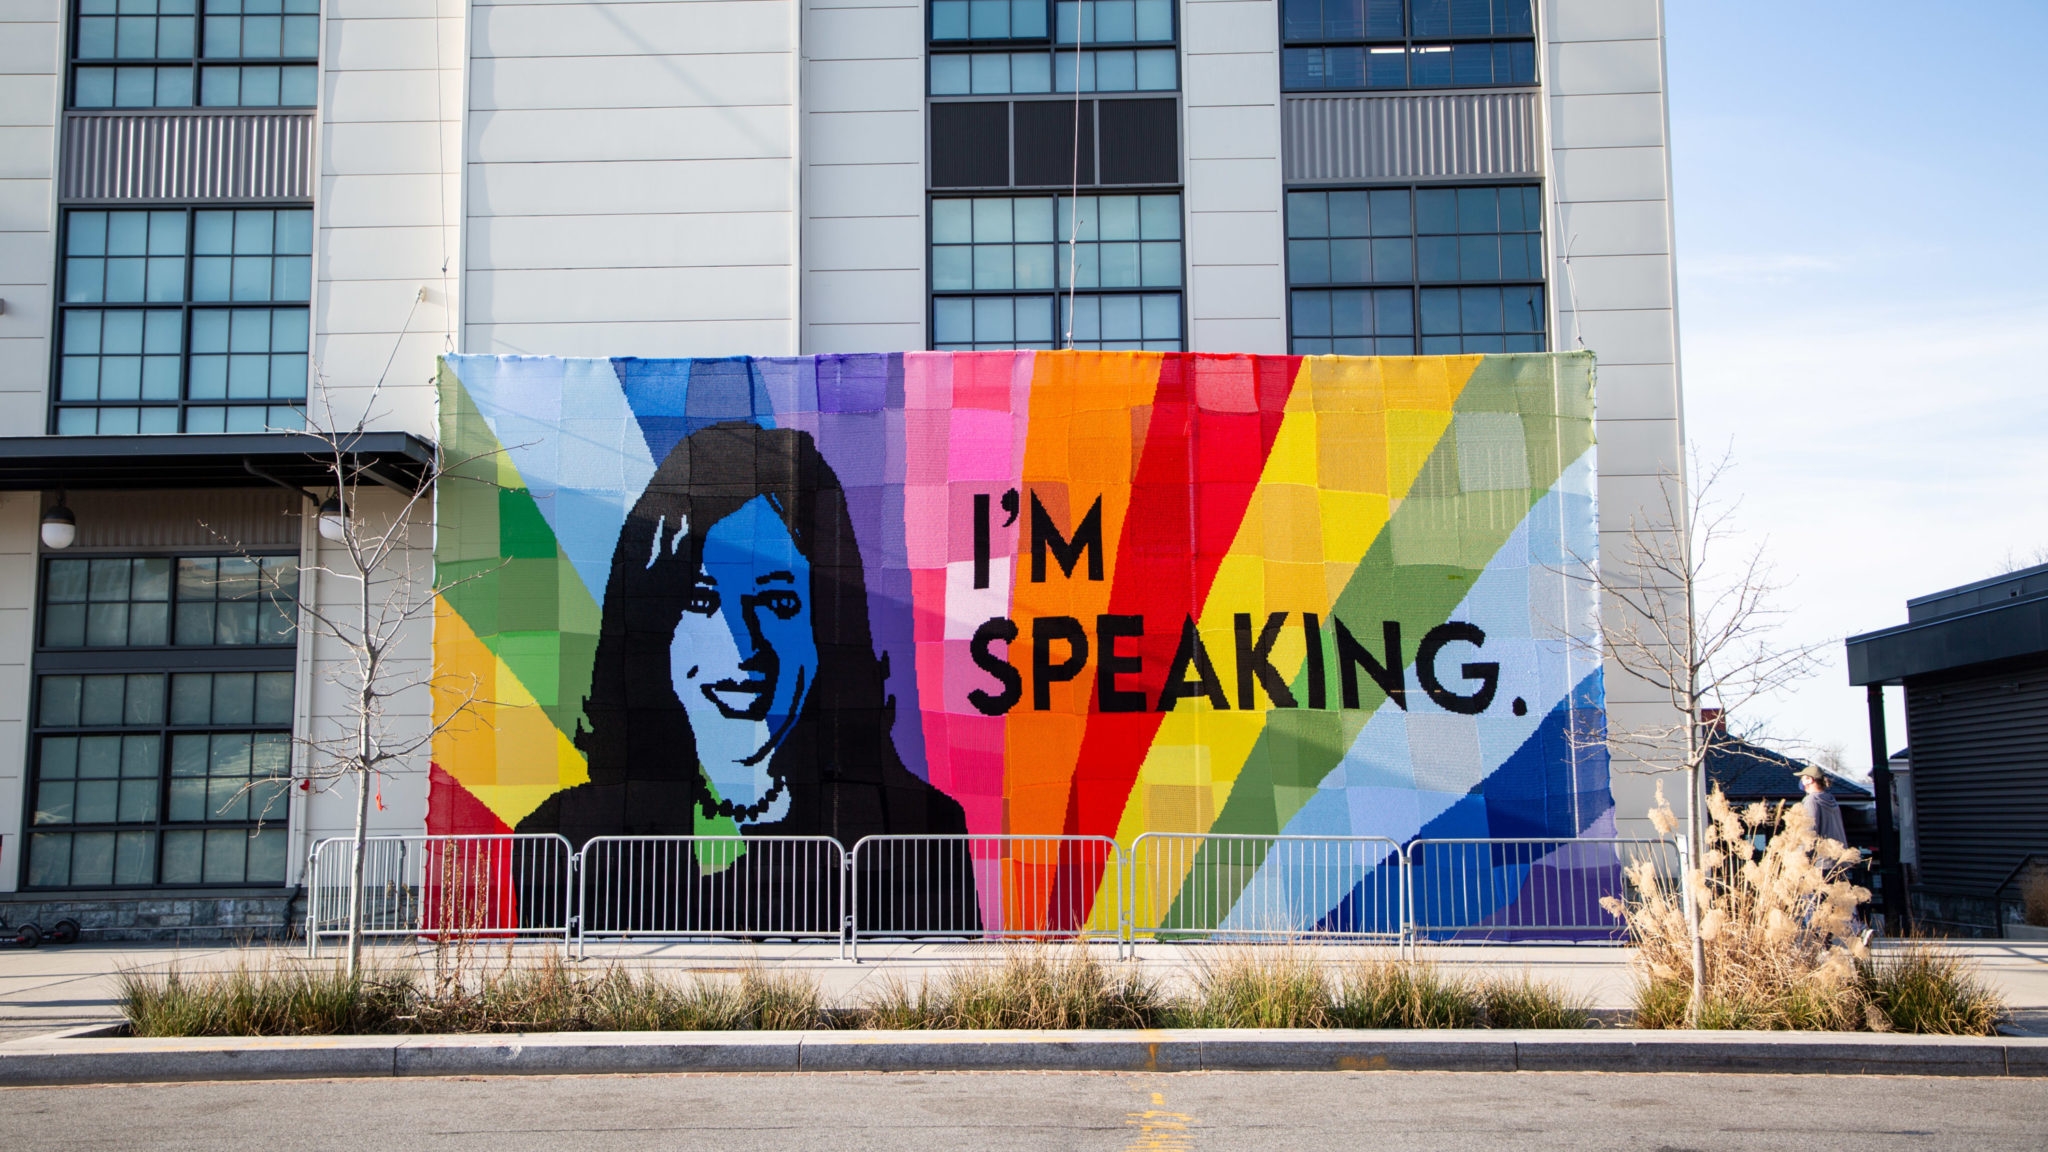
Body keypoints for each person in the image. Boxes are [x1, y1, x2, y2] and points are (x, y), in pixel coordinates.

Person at [516, 421, 976, 935]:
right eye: (701, 600)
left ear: (828, 628)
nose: (742, 644)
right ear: (652, 630)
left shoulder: (921, 826)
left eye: (778, 602)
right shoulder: (562, 838)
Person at [1798, 763, 1848, 846]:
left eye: (1802, 779)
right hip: (1839, 854)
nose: (1801, 782)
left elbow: (1809, 832)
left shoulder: (1812, 800)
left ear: (1809, 780)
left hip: (1822, 856)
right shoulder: (1831, 799)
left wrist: (1800, 855)